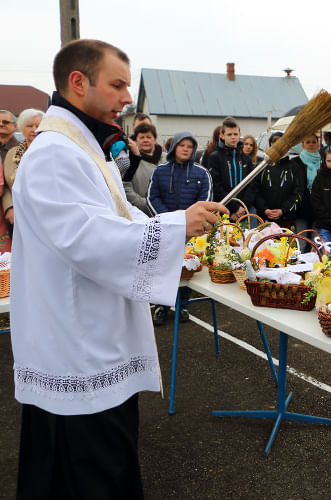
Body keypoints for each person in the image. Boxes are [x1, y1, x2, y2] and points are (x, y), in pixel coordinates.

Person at [11, 39, 225, 500]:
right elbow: (88, 239)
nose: (128, 97)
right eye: (118, 85)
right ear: (77, 82)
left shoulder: (87, 147)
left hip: (94, 335)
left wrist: (175, 230)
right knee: (86, 477)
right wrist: (175, 225)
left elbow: (120, 217)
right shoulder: (54, 153)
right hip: (78, 347)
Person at [147, 130, 213, 324]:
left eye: (190, 146)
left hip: (190, 233)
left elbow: (205, 201)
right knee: (161, 268)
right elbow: (151, 198)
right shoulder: (160, 171)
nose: (186, 149)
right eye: (182, 145)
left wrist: (186, 221)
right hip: (164, 228)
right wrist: (169, 218)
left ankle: (183, 305)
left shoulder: (202, 173)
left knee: (186, 269)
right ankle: (160, 306)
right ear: (174, 147)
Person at [2, 109, 44, 240]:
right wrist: (9, 207)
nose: (34, 129)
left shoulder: (49, 151)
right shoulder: (13, 153)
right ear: (21, 128)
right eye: (29, 126)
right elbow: (6, 185)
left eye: (38, 126)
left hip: (42, 213)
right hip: (17, 214)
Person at [252, 132, 304, 229]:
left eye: (280, 143)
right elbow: (255, 191)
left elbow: (298, 194)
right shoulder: (262, 166)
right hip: (264, 219)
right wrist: (264, 209)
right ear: (270, 145)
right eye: (274, 143)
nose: (277, 147)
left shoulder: (294, 167)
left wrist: (283, 210)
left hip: (287, 219)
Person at [207, 117, 253, 221]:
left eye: (235, 134)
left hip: (244, 213)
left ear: (240, 134)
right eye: (229, 134)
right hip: (223, 212)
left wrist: (242, 209)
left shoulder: (246, 159)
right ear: (222, 135)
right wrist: (234, 208)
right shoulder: (215, 157)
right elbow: (216, 186)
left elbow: (252, 185)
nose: (233, 137)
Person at [122, 122, 164, 215]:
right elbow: (125, 187)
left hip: (166, 212)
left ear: (155, 139)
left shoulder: (166, 159)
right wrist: (146, 205)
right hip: (140, 214)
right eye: (142, 137)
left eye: (149, 137)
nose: (145, 140)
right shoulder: (130, 161)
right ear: (136, 141)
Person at [294, 134, 321, 248]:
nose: (311, 144)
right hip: (301, 207)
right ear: (302, 145)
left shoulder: (323, 162)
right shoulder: (296, 162)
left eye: (313, 142)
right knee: (301, 242)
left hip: (317, 208)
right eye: (308, 142)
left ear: (318, 144)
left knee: (315, 244)